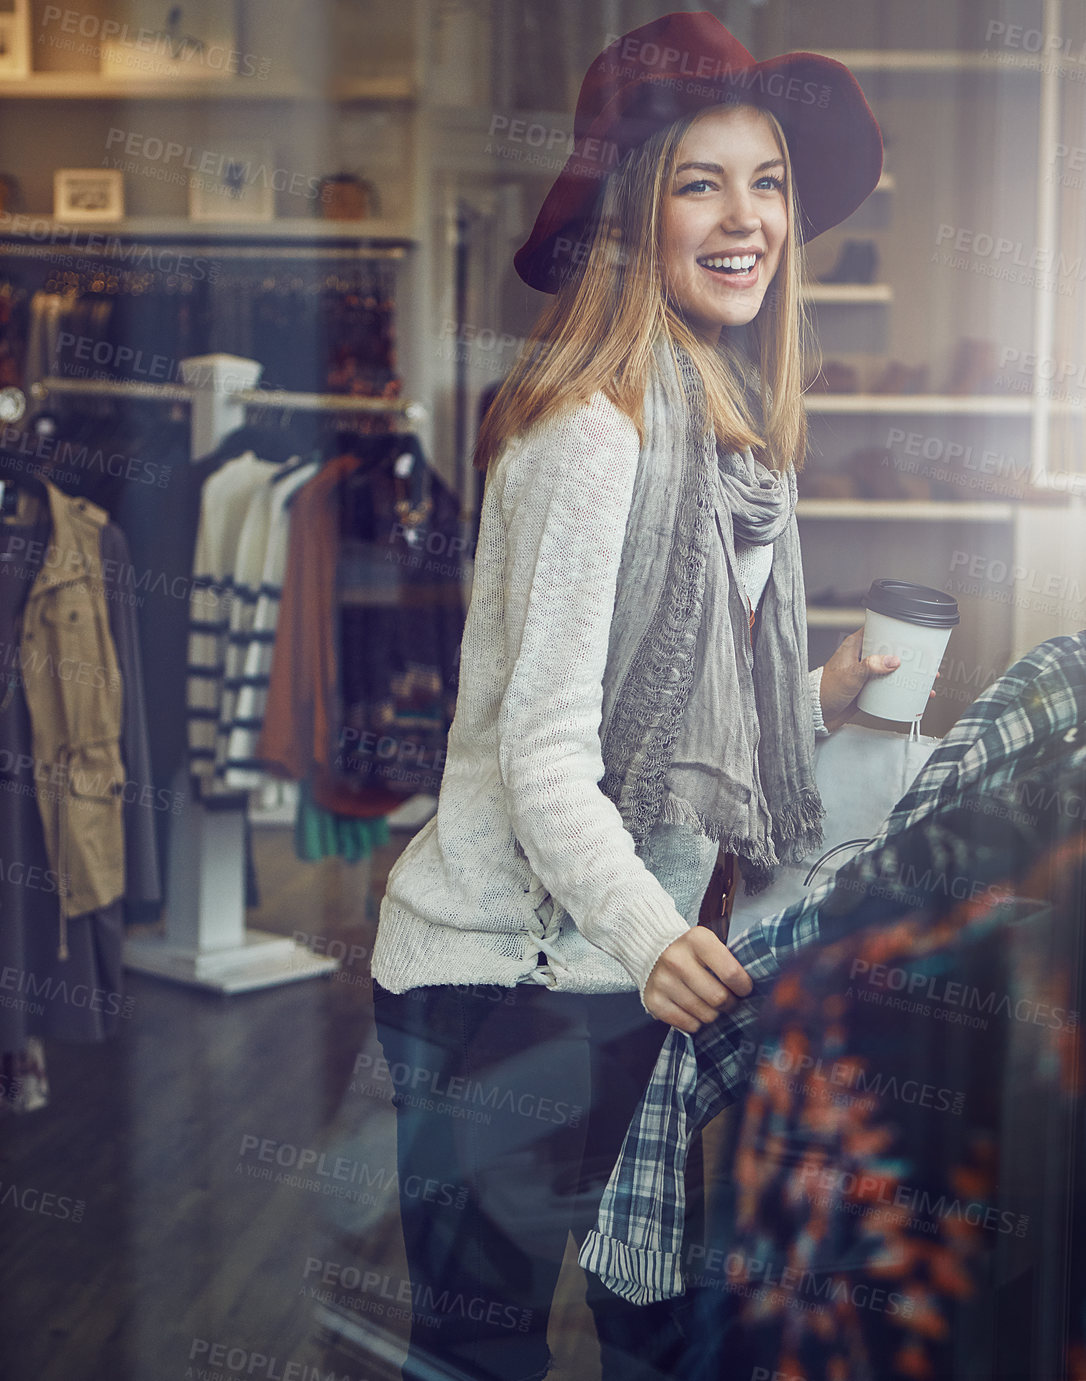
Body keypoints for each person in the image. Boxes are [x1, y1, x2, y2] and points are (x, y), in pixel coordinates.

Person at [369, 13, 905, 1381]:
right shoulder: (594, 434)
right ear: (632, 215)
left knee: (651, 1328)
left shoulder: (723, 436)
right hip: (508, 973)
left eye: (767, 181)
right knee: (485, 1353)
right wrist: (654, 939)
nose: (745, 219)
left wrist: (816, 684)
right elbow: (550, 756)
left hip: (631, 963)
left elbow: (662, 720)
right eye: (698, 182)